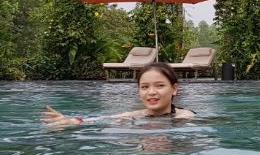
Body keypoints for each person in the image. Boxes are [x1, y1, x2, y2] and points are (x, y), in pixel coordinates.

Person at [42, 62, 195, 126]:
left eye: (160, 86)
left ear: (174, 89)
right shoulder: (135, 115)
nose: (151, 92)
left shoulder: (185, 117)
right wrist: (68, 121)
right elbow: (99, 119)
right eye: (144, 87)